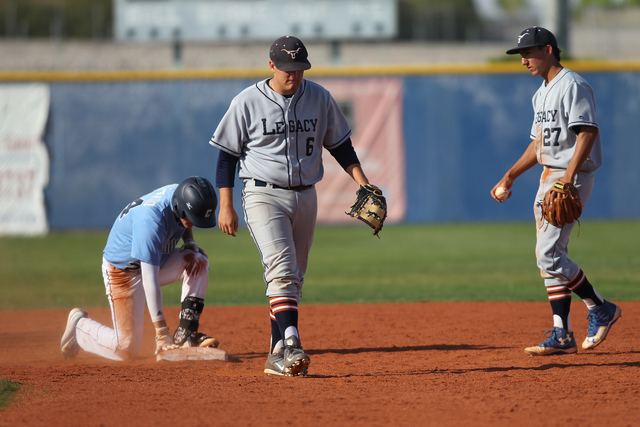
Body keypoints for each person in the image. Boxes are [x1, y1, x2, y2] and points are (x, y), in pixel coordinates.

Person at [210, 35, 381, 376]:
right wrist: (224, 205)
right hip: (262, 193)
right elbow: (226, 156)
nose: (294, 75)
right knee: (282, 268)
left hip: (306, 194)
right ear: (271, 65)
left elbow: (341, 146)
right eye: (287, 68)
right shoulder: (247, 102)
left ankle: (275, 354)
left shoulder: (319, 97)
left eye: (300, 68)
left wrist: (363, 183)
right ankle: (291, 342)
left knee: (294, 277)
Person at [491, 27, 621, 356]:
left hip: (569, 176)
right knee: (549, 259)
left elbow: (588, 133)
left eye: (528, 53)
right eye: (520, 55)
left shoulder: (572, 84)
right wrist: (510, 176)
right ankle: (562, 333)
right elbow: (539, 145)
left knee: (548, 255)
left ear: (548, 49)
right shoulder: (541, 93)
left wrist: (569, 177)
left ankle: (600, 307)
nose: (523, 61)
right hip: (549, 176)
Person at [60, 176, 220, 361]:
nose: (192, 222)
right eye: (192, 218)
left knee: (198, 260)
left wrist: (190, 240)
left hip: (155, 260)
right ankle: (79, 326)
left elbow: (183, 221)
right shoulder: (150, 222)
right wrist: (161, 334)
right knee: (125, 349)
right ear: (180, 206)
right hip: (123, 273)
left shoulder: (181, 195)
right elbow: (149, 280)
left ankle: (187, 335)